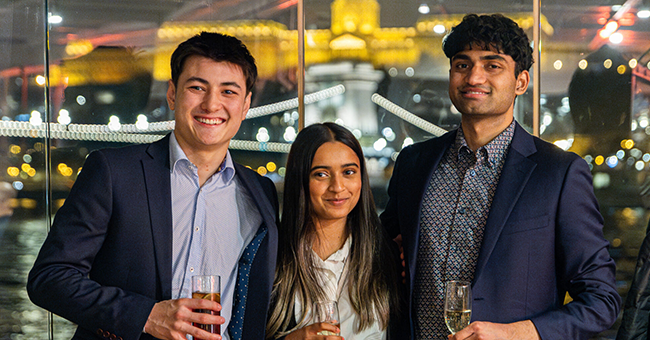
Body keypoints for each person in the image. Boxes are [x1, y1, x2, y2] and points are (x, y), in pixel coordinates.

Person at [380, 14, 620, 340]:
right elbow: (379, 254)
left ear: (521, 82)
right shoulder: (414, 164)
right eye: (462, 65)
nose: (474, 76)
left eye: (492, 65)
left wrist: (516, 333)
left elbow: (602, 301)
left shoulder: (559, 173)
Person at [27, 32, 279, 340]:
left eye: (228, 92)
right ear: (172, 94)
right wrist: (144, 316)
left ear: (246, 105)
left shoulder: (260, 193)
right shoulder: (113, 172)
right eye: (197, 87)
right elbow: (49, 278)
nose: (212, 104)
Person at [266, 122, 399, 340]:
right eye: (321, 174)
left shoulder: (387, 256)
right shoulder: (270, 260)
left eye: (348, 172)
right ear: (301, 180)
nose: (337, 187)